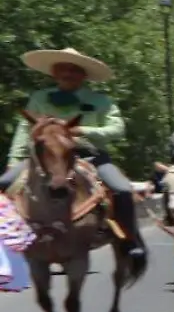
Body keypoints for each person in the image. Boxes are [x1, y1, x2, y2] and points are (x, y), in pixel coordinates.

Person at [1, 47, 148, 271]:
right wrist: (14, 159)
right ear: (54, 73)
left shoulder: (100, 100)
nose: (68, 74)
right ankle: (10, 241)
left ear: (84, 75)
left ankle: (129, 239)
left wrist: (85, 131)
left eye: (74, 70)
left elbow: (117, 129)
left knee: (123, 189)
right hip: (45, 157)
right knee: (3, 184)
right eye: (63, 69)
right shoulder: (39, 98)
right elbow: (24, 128)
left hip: (90, 155)